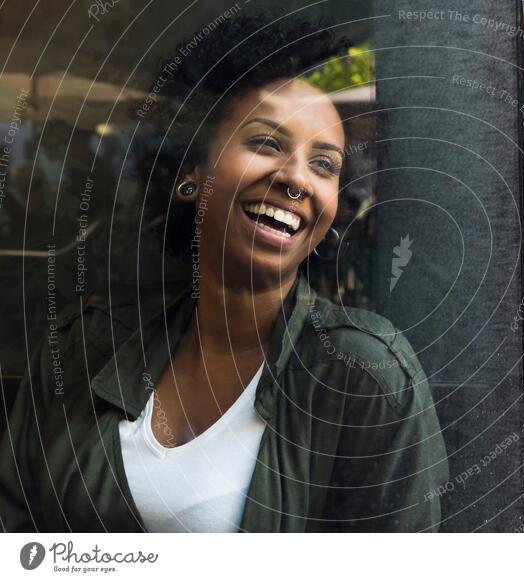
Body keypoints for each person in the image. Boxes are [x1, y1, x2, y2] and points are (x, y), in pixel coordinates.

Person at [0, 15, 448, 533]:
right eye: (266, 143)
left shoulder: (367, 377)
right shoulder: (83, 345)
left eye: (324, 164)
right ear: (191, 174)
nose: (297, 178)